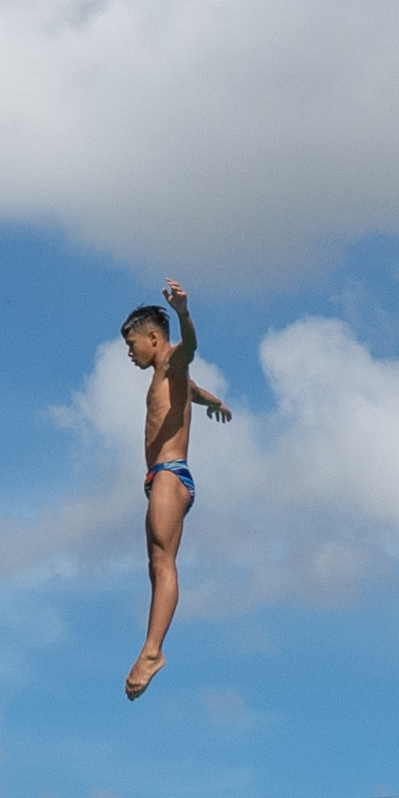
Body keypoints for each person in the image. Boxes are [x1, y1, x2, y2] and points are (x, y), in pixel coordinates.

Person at [116, 280, 230, 701]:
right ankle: (151, 647)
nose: (130, 353)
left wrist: (183, 313)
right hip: (162, 478)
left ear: (153, 337)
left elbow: (190, 348)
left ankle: (152, 651)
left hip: (169, 473)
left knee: (163, 563)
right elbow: (191, 390)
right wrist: (212, 401)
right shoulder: (171, 373)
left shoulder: (172, 360)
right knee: (157, 564)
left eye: (132, 345)